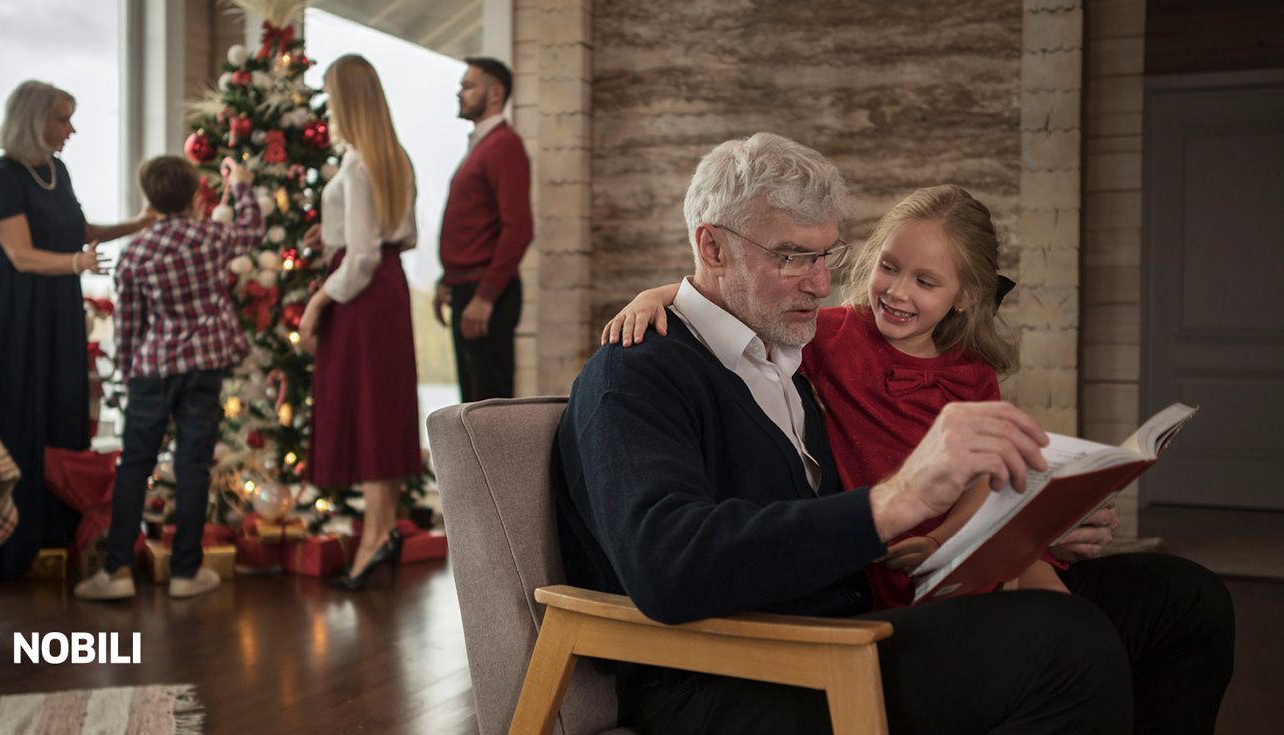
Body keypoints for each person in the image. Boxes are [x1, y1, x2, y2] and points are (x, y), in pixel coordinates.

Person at [555, 132, 1234, 734]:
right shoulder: (636, 373)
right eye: (794, 256)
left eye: (829, 255)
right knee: (1066, 643)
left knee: (1186, 599)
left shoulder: (781, 358)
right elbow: (667, 566)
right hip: (742, 669)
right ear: (711, 246)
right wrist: (891, 502)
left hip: (852, 620)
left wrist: (1027, 526)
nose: (823, 285)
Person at [602, 184, 1066, 608]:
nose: (898, 291)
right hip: (885, 538)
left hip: (960, 531)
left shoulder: (972, 373)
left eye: (925, 282)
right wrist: (652, 297)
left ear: (964, 297)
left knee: (1056, 600)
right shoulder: (834, 334)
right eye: (888, 267)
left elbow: (985, 478)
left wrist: (947, 539)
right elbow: (725, 300)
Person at [0, 80, 157, 588]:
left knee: (58, 411)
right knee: (12, 414)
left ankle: (52, 537)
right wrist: (76, 263)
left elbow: (80, 231)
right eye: (62, 118)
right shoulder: (0, 176)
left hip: (55, 308)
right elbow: (22, 255)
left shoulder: (56, 170)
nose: (71, 129)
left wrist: (138, 223)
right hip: (11, 312)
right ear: (34, 120)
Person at [73, 155, 263, 601]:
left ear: (150, 199)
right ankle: (185, 572)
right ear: (197, 194)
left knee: (135, 466)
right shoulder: (211, 234)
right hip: (205, 365)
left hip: (153, 370)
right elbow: (251, 231)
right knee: (193, 465)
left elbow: (129, 324)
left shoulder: (136, 252)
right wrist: (241, 185)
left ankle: (117, 570)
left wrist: (126, 368)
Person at [298, 55, 420, 591]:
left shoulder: (355, 164)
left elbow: (363, 255)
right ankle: (382, 532)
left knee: (369, 411)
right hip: (387, 290)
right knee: (383, 409)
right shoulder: (394, 157)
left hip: (361, 296)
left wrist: (317, 301)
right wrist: (331, 236)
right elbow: (401, 237)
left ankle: (373, 541)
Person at [432, 56, 533, 402]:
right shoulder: (481, 145)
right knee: (473, 403)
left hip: (486, 295)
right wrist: (446, 279)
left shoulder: (503, 145)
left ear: (495, 93)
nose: (459, 93)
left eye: (468, 85)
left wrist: (485, 296)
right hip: (467, 289)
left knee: (489, 410)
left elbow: (519, 228)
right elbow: (474, 225)